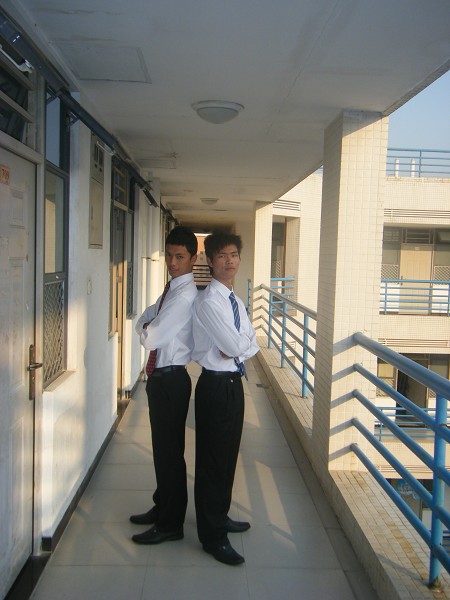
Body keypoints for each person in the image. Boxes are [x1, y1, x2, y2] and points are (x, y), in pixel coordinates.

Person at [192, 232, 259, 565]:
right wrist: (237, 346)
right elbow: (236, 346)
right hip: (215, 387)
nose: (229, 261)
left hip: (233, 384)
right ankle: (212, 536)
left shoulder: (235, 299)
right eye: (222, 256)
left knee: (228, 456)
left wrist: (237, 347)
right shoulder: (208, 302)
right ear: (210, 261)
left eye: (234, 255)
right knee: (212, 462)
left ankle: (220, 514)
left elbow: (252, 342)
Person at [130, 226, 198, 545]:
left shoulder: (183, 296)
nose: (173, 262)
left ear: (193, 259)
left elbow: (150, 336)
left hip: (171, 379)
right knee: (163, 451)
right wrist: (147, 325)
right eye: (169, 255)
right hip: (162, 379)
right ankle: (162, 507)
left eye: (180, 257)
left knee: (169, 453)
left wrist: (148, 327)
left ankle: (171, 524)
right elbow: (144, 319)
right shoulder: (172, 289)